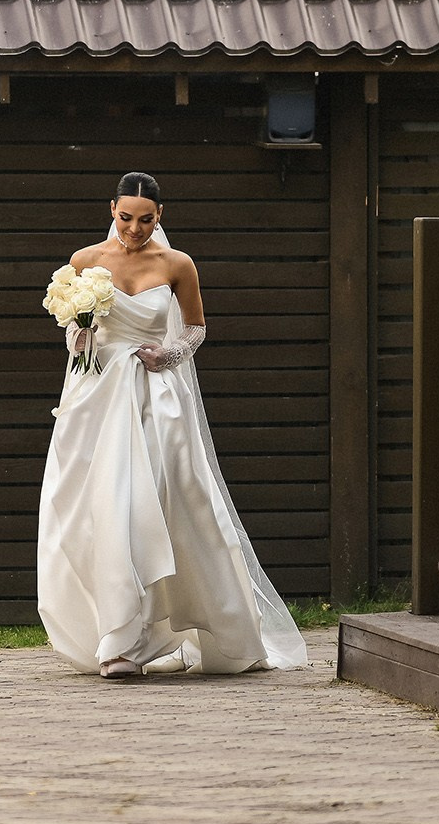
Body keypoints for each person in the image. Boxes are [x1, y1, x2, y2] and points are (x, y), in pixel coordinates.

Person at [36, 172, 307, 680]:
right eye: (125, 218)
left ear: (160, 217)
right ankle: (115, 636)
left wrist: (171, 352)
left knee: (161, 502)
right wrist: (77, 336)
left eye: (146, 219)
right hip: (97, 397)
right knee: (95, 505)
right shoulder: (84, 262)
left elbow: (198, 327)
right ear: (111, 209)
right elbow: (74, 324)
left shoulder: (178, 265)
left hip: (155, 398)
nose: (134, 229)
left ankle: (156, 633)